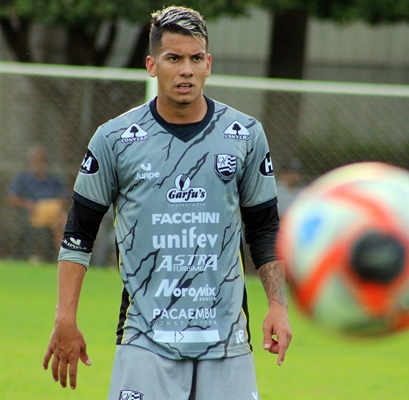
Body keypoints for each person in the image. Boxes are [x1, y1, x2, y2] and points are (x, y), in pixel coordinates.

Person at [43, 6, 292, 399]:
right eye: (173, 58)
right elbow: (78, 236)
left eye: (195, 58)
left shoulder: (244, 134)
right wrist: (65, 317)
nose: (186, 69)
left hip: (226, 339)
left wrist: (278, 306)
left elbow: (264, 228)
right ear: (152, 65)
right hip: (145, 339)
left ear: (208, 64)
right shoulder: (115, 139)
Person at [7, 145, 68, 260]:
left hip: (51, 211)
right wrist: (27, 204)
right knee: (60, 220)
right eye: (36, 160)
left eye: (42, 160)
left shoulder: (53, 179)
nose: (39, 163)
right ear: (30, 161)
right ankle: (66, 256)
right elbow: (12, 198)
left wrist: (55, 204)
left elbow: (64, 198)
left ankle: (64, 256)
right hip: (32, 213)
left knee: (57, 218)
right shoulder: (23, 179)